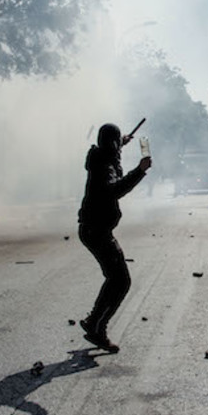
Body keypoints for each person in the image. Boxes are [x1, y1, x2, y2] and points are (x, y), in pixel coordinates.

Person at [78, 123, 152, 352]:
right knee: (120, 281)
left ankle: (94, 321)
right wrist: (139, 170)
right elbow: (115, 190)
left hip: (94, 229)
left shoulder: (100, 156)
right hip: (97, 231)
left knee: (116, 279)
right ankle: (96, 327)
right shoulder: (104, 164)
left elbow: (111, 150)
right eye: (117, 141)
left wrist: (122, 142)